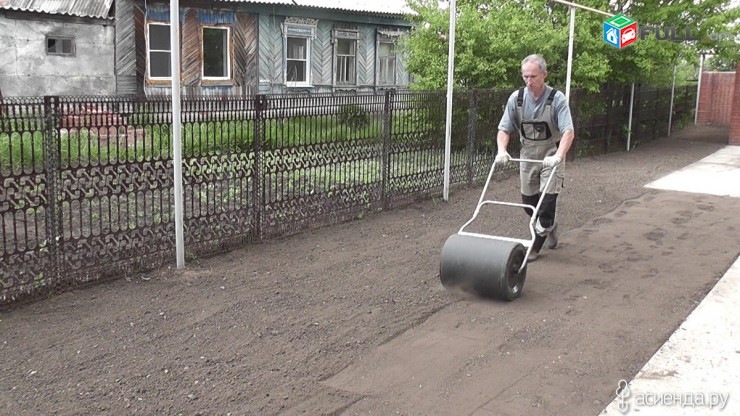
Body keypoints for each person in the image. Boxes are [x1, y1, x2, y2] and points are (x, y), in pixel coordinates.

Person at [495, 54, 575, 262]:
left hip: (551, 154)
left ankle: (534, 245)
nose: (529, 82)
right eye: (525, 77)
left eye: (533, 77)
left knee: (547, 201)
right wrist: (502, 150)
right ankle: (548, 225)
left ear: (544, 74)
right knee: (528, 202)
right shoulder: (517, 98)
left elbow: (568, 132)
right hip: (528, 154)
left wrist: (558, 156)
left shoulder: (556, 99)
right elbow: (504, 128)